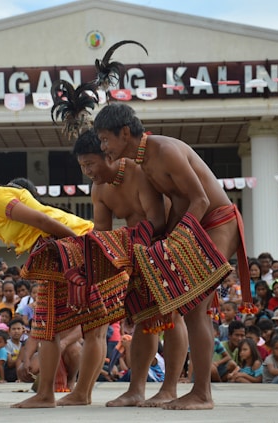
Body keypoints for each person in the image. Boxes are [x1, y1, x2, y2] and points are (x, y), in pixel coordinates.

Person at [95, 102, 251, 410]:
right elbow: (176, 204)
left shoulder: (164, 150)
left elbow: (201, 199)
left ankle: (202, 394)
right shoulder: (143, 161)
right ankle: (164, 389)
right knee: (164, 305)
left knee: (194, 308)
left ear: (124, 133)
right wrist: (161, 240)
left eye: (104, 140)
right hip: (193, 225)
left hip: (218, 221)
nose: (103, 147)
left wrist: (178, 238)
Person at [0, 156, 96, 408]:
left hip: (67, 244)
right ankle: (74, 394)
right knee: (91, 326)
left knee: (47, 325)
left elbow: (43, 221)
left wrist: (82, 246)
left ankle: (46, 395)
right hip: (66, 246)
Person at [72, 128, 189, 408]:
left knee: (172, 318)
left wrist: (123, 247)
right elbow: (101, 233)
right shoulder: (99, 190)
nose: (87, 171)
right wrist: (86, 262)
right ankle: (136, 389)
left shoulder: (138, 171)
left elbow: (157, 220)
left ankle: (170, 388)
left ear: (108, 155)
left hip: (168, 242)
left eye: (90, 163)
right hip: (137, 252)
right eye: (82, 166)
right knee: (144, 321)